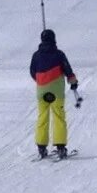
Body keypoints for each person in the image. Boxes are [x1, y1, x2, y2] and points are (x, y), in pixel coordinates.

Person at [29, 29, 79, 159]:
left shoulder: (36, 55)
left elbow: (32, 71)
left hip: (41, 90)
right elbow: (67, 69)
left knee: (42, 117)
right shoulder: (59, 54)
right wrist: (72, 81)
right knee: (58, 116)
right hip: (56, 90)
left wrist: (41, 81)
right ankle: (60, 147)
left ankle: (41, 147)